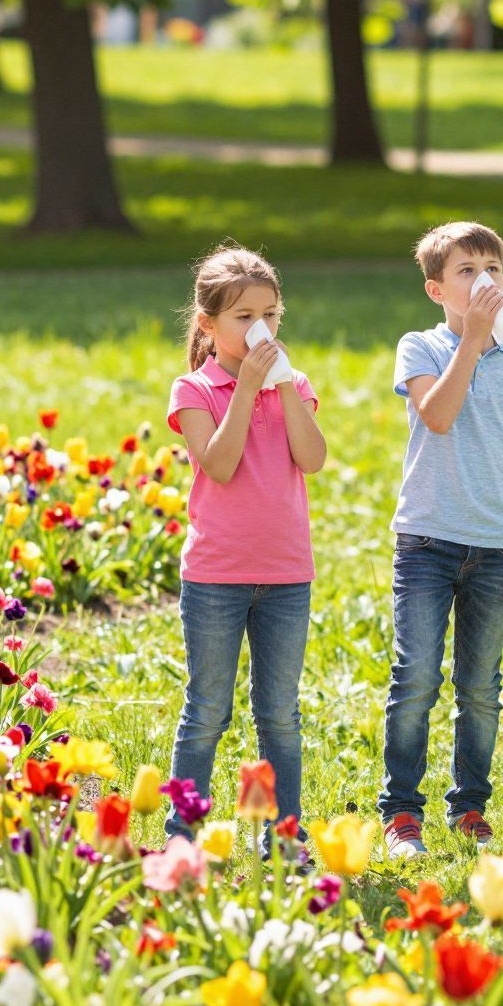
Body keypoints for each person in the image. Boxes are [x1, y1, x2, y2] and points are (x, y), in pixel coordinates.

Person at [381, 220, 503, 859]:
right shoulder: (419, 348)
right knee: (416, 677)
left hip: (495, 549)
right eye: (467, 271)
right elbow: (438, 415)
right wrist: (473, 341)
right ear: (436, 290)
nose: (484, 281)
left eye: (494, 269)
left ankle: (469, 806)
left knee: (480, 687)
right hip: (427, 542)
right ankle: (402, 812)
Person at [166, 244, 326, 839]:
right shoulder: (194, 390)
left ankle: (283, 834)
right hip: (216, 576)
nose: (262, 327)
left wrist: (280, 386)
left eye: (271, 314)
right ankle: (183, 833)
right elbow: (220, 464)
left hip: (286, 574)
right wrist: (245, 389)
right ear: (208, 324)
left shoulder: (294, 385)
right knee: (208, 710)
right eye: (245, 316)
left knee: (279, 715)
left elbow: (313, 458)